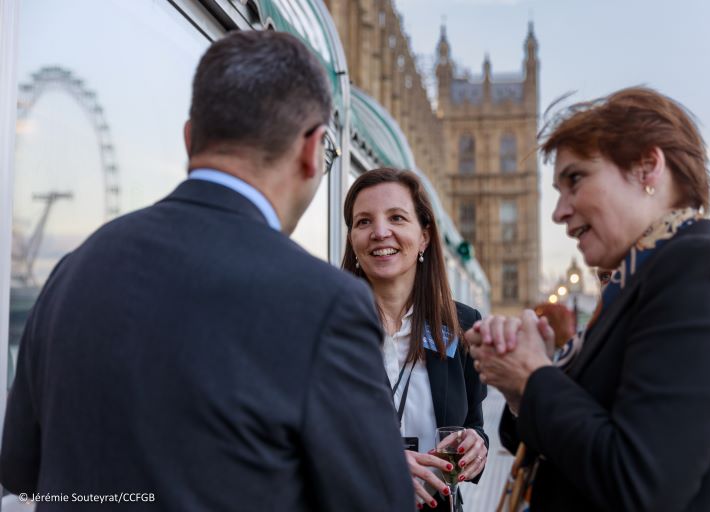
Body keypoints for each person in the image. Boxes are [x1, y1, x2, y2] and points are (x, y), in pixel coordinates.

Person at [0, 31, 414, 511]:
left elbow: (20, 471)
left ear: (189, 137)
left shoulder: (74, 270)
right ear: (313, 149)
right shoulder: (326, 303)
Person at [469, 87, 710, 511]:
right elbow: (576, 435)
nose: (559, 211)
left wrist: (533, 376)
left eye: (575, 179)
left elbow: (640, 484)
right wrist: (521, 392)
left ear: (648, 167)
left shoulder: (702, 278)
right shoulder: (638, 282)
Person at [341, 168, 488, 511]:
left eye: (396, 217)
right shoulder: (324, 329)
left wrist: (477, 444)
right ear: (352, 239)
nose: (380, 232)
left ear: (423, 237)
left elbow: (474, 424)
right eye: (363, 222)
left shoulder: (462, 325)